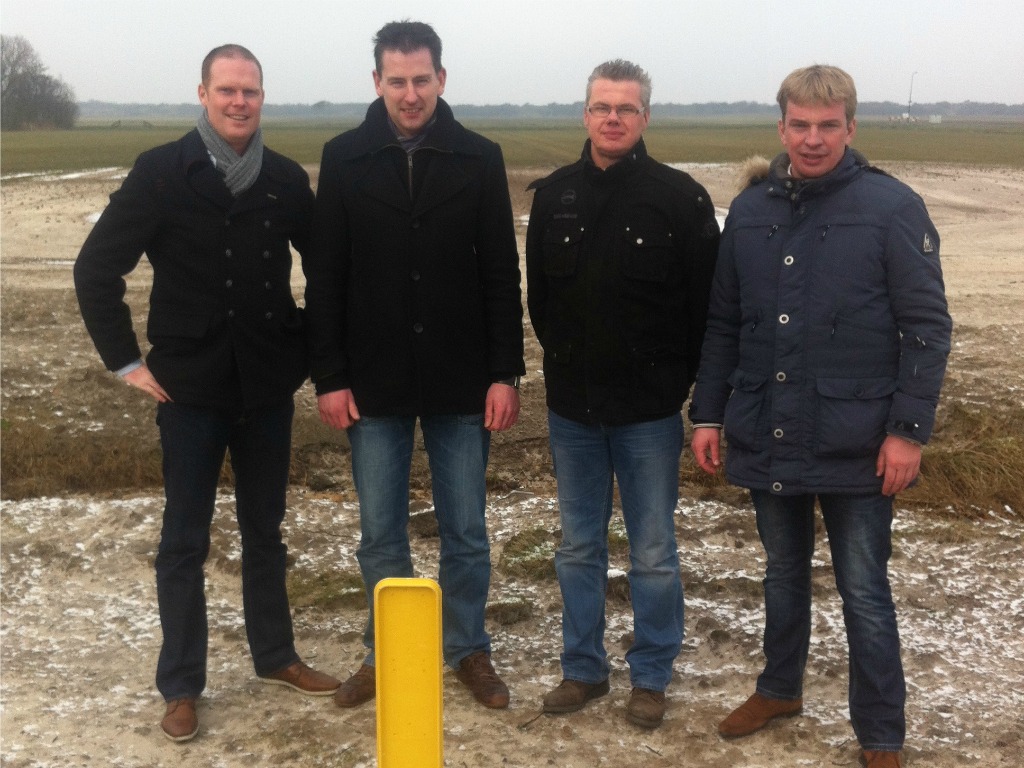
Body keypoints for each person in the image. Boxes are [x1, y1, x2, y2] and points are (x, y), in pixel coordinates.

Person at [73, 44, 340, 743]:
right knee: (184, 540)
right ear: (203, 94)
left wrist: (307, 351)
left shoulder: (284, 179)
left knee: (265, 531)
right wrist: (125, 362)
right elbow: (96, 268)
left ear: (262, 98)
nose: (238, 102)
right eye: (226, 90)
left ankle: (276, 656)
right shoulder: (162, 171)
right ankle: (181, 685)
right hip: (187, 390)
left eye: (250, 91)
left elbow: (329, 272)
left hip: (266, 388)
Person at [689, 65, 951, 768]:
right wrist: (707, 414)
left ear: (850, 128)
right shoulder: (750, 212)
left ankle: (881, 733)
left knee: (864, 588)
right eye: (800, 125)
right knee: (782, 572)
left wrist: (907, 432)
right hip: (768, 425)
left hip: (858, 440)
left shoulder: (892, 208)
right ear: (781, 128)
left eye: (827, 126)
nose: (813, 139)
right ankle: (779, 689)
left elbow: (927, 328)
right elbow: (724, 324)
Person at [303, 20, 525, 711]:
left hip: (462, 379)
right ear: (377, 82)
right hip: (373, 382)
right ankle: (387, 650)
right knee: (380, 534)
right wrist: (330, 376)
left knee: (466, 530)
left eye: (421, 80)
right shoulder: (343, 158)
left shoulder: (479, 157)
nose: (409, 94)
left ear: (441, 79)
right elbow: (326, 278)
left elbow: (500, 272)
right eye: (396, 81)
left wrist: (505, 372)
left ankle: (466, 647)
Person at [525, 59, 720, 729]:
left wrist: (675, 383)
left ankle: (651, 676)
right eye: (602, 107)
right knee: (578, 547)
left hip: (648, 414)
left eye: (626, 108)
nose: (613, 118)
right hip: (573, 412)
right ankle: (583, 669)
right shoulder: (553, 196)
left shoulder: (680, 198)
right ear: (585, 114)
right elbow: (541, 302)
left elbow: (705, 309)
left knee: (654, 552)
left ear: (645, 117)